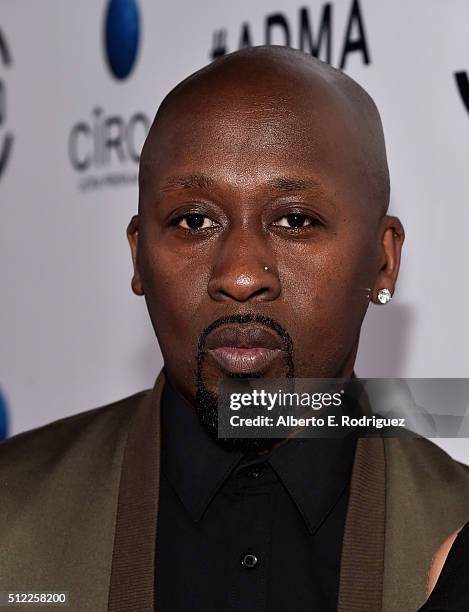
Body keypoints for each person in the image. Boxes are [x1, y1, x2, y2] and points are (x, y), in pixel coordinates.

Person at [1, 45, 469, 612]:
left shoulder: (456, 530)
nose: (242, 276)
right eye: (194, 220)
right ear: (138, 256)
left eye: (295, 220)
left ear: (383, 260)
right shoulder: (10, 512)